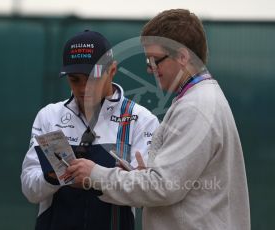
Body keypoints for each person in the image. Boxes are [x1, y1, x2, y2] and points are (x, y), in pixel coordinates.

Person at [68, 9, 250, 230]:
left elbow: (163, 187)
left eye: (155, 60)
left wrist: (96, 174)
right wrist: (143, 175)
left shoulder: (196, 107)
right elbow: (170, 182)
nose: (149, 68)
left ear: (183, 57)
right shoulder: (200, 98)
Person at [21, 30, 159, 230]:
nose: (84, 87)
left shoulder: (142, 120)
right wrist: (52, 178)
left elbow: (147, 193)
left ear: (112, 71)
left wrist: (96, 177)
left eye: (92, 77)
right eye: (75, 79)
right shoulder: (49, 116)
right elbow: (29, 190)